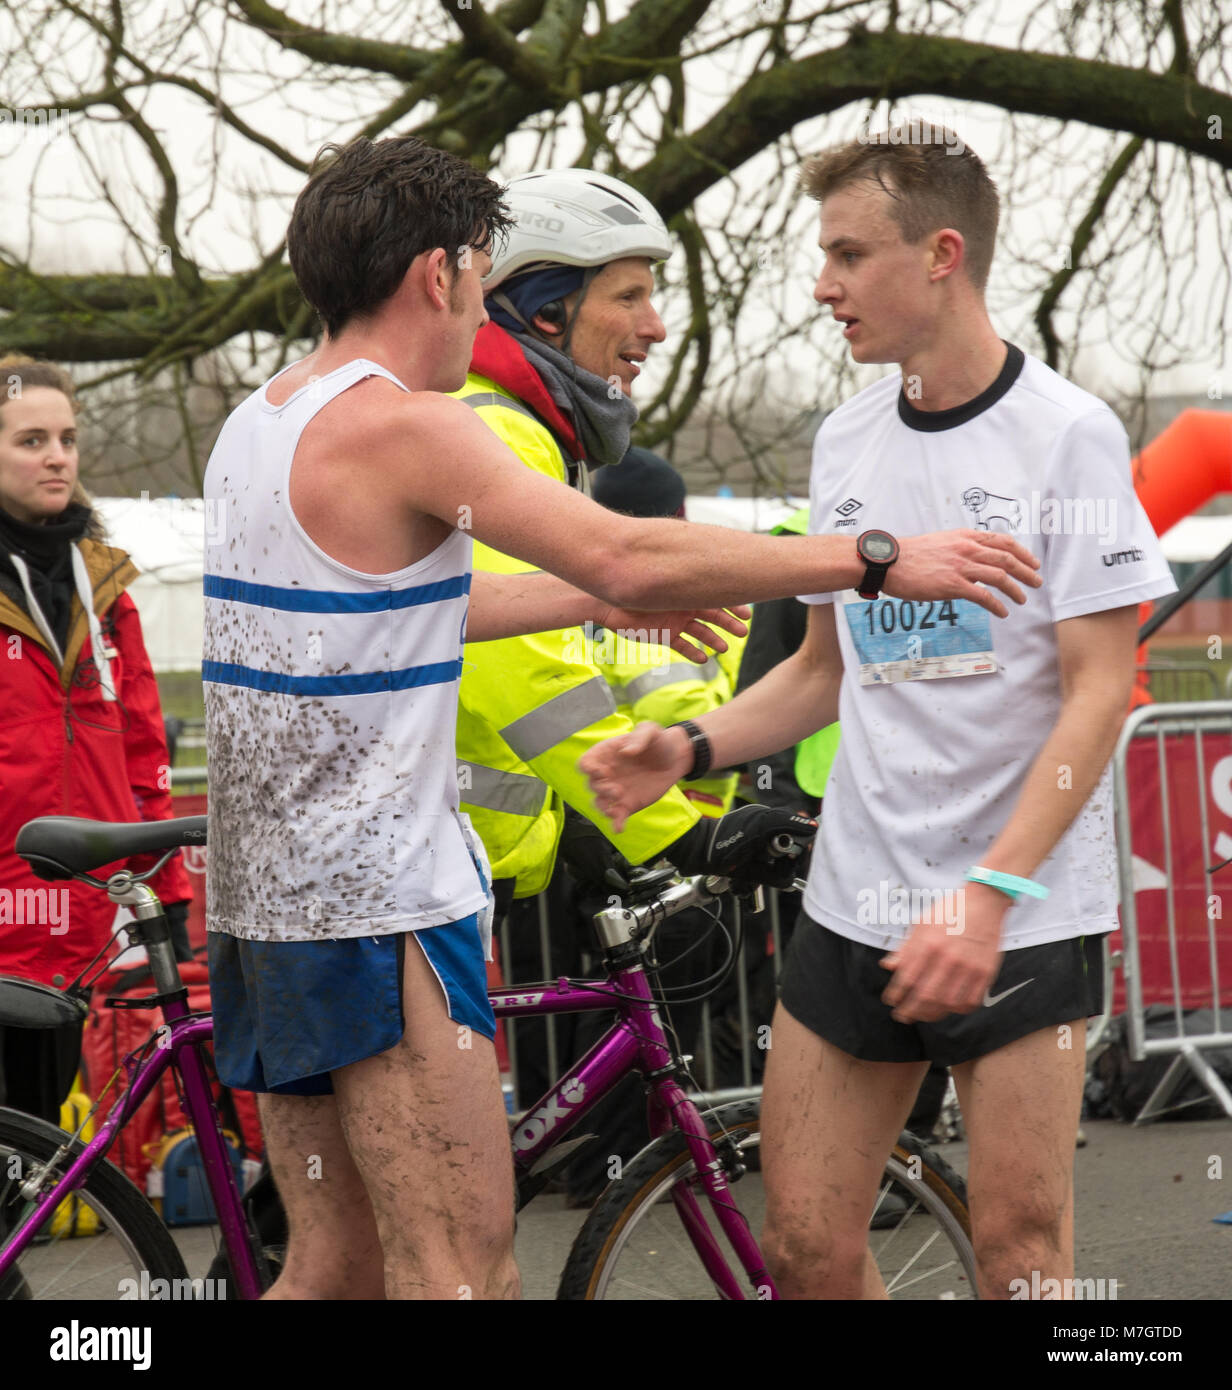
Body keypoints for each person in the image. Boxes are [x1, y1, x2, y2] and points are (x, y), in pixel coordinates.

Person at [201, 134, 1041, 1301]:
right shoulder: (408, 421)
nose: (481, 312)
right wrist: (872, 555)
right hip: (375, 906)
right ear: (438, 275)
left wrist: (580, 596)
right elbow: (631, 550)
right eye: (478, 280)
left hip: (266, 904)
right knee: (462, 1273)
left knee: (332, 1267)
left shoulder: (266, 418)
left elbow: (403, 605)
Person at [579, 124, 1175, 1300]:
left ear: (941, 254)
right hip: (857, 897)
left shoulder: (1065, 432)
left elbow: (1098, 689)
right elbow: (819, 672)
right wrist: (689, 746)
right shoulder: (845, 438)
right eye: (820, 254)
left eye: (848, 254)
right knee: (802, 1250)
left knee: (1019, 1257)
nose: (822, 283)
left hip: (1017, 908)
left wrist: (988, 893)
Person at [0, 354, 191, 1124]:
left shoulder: (104, 585)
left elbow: (144, 751)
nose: (57, 456)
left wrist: (168, 891)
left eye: (68, 438)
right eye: (31, 439)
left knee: (35, 1143)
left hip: (74, 912)